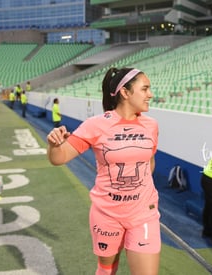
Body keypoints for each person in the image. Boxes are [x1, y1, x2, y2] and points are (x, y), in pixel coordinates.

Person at [47, 67, 160, 275]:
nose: (150, 94)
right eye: (145, 89)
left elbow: (149, 163)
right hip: (107, 215)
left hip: (144, 214)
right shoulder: (95, 125)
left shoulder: (151, 125)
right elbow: (59, 158)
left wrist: (138, 191)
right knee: (106, 270)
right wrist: (54, 145)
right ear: (125, 93)